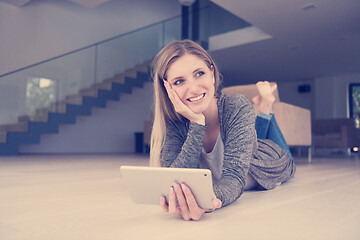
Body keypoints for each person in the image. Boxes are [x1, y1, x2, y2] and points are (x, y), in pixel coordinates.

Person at [149, 39, 295, 221]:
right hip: (247, 145)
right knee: (251, 138)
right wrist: (196, 124)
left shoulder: (236, 106)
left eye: (199, 73)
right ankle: (263, 109)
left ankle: (266, 106)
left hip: (270, 160)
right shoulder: (175, 122)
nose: (193, 89)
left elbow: (234, 178)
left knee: (287, 160)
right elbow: (173, 180)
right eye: (179, 81)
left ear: (211, 73)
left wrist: (206, 201)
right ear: (167, 89)